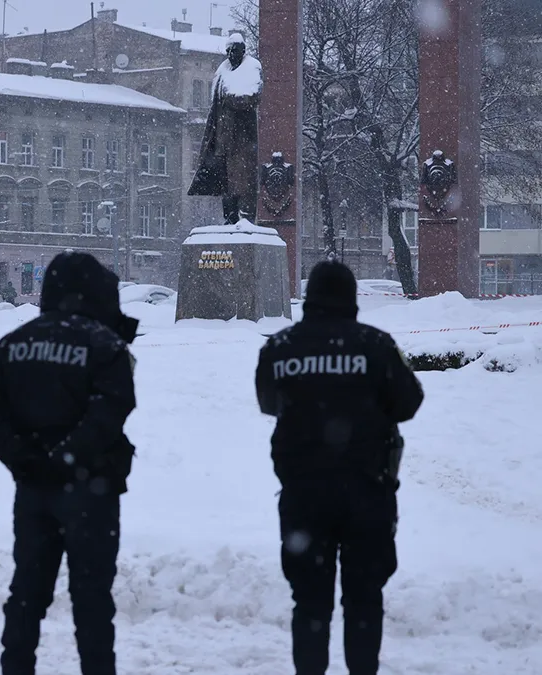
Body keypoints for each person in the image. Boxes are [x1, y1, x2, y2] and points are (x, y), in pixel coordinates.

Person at [0, 251, 139, 675]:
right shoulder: (105, 345)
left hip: (33, 490)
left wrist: (25, 458)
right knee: (93, 600)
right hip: (92, 491)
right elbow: (111, 410)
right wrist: (68, 457)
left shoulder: (16, 342)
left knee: (27, 593)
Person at [255, 260, 424, 675]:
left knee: (309, 602)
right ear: (352, 299)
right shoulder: (377, 346)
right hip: (367, 492)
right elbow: (410, 402)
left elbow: (267, 402)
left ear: (310, 296)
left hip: (303, 497)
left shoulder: (279, 348)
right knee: (364, 599)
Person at [188, 32, 263, 224]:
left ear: (243, 51)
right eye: (229, 50)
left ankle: (244, 218)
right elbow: (215, 105)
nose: (231, 54)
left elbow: (250, 98)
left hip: (242, 140)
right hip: (221, 137)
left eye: (235, 50)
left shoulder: (252, 68)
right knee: (225, 183)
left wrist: (230, 95)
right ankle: (229, 218)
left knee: (243, 181)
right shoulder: (222, 71)